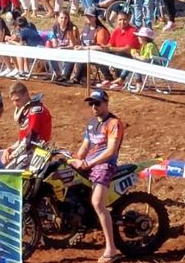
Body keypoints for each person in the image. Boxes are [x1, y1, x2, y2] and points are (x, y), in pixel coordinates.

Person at [68, 90, 124, 263]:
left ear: (106, 103)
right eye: (91, 104)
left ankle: (111, 249)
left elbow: (111, 151)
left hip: (105, 166)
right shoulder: (92, 123)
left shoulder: (114, 123)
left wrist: (89, 163)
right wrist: (74, 159)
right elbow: (84, 147)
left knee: (97, 202)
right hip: (90, 164)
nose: (93, 107)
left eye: (97, 103)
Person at [0, 82, 52, 165]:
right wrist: (10, 149)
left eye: (17, 100)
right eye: (13, 101)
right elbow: (23, 140)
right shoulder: (27, 111)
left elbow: (30, 139)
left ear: (26, 95)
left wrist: (13, 155)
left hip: (34, 155)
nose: (15, 104)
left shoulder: (35, 112)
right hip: (27, 152)